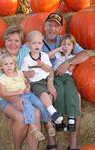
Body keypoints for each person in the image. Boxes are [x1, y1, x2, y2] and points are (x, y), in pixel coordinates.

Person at [0, 26, 41, 150]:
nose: (13, 44)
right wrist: (15, 100)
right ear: (4, 41)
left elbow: (38, 42)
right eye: (9, 40)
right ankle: (17, 148)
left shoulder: (25, 52)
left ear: (22, 43)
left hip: (24, 94)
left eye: (17, 40)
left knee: (37, 113)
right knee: (20, 118)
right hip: (6, 97)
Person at [42, 11, 83, 150]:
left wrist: (69, 62)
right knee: (49, 96)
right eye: (50, 25)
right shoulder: (37, 42)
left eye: (56, 26)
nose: (52, 29)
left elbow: (87, 53)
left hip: (64, 78)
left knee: (76, 96)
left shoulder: (64, 40)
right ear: (44, 25)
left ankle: (72, 144)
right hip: (43, 80)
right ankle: (52, 143)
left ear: (60, 29)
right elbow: (21, 53)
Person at [0, 52, 56, 141]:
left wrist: (28, 87)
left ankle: (48, 122)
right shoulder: (2, 79)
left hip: (27, 93)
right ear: (1, 67)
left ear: (15, 65)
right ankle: (33, 127)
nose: (9, 66)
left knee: (40, 103)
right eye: (6, 64)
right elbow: (3, 93)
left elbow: (26, 81)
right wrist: (16, 92)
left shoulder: (20, 73)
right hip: (17, 96)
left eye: (11, 64)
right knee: (27, 105)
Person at [21, 31, 63, 125]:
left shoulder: (44, 56)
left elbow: (49, 69)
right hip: (35, 82)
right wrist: (29, 73)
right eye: (34, 43)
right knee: (44, 94)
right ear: (28, 45)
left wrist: (43, 65)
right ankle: (53, 112)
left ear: (42, 44)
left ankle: (52, 117)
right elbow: (23, 73)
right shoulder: (26, 59)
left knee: (51, 95)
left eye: (39, 43)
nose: (37, 45)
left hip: (45, 79)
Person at [52, 33, 80, 134]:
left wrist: (69, 60)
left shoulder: (74, 57)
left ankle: (71, 118)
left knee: (71, 92)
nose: (66, 46)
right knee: (59, 92)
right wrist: (58, 50)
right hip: (57, 77)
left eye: (69, 44)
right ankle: (59, 120)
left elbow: (71, 67)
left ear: (73, 47)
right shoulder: (58, 55)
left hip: (68, 78)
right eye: (63, 44)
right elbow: (47, 56)